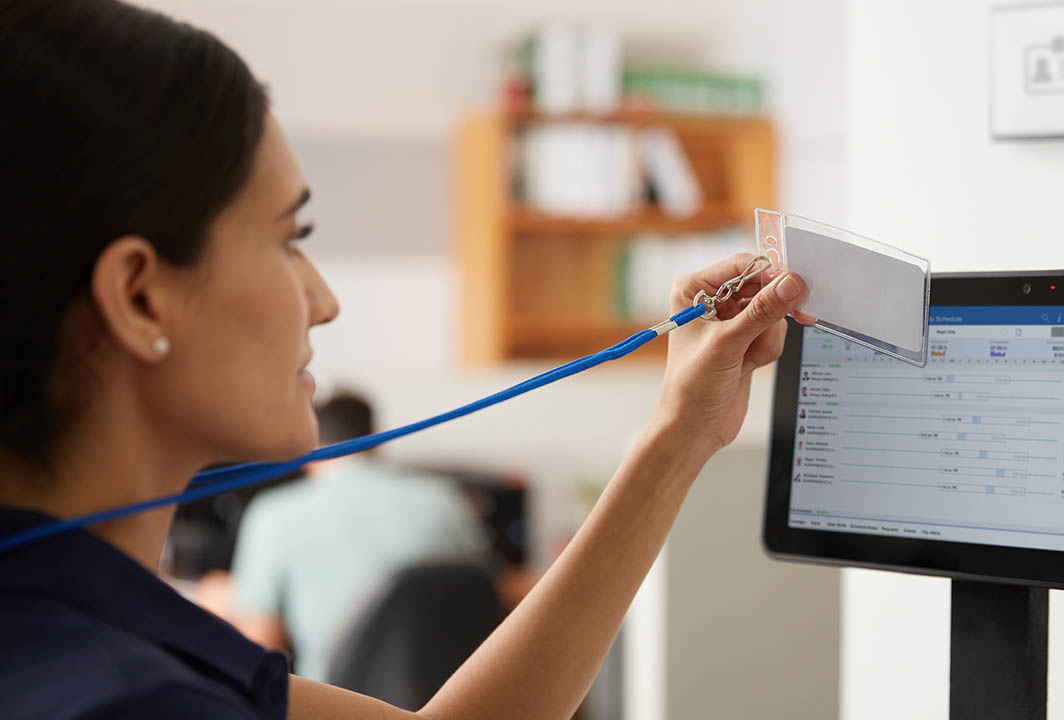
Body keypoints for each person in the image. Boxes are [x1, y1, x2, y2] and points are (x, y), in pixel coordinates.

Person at [0, 2, 809, 718]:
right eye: (290, 240)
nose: (323, 300)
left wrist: (677, 433)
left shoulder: (75, 615)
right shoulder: (132, 697)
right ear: (142, 299)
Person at [224, 392, 489, 682]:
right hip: (450, 703)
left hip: (340, 707)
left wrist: (233, 603)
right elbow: (487, 590)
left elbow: (262, 643)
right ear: (376, 441)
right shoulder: (446, 499)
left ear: (312, 445)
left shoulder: (274, 514)